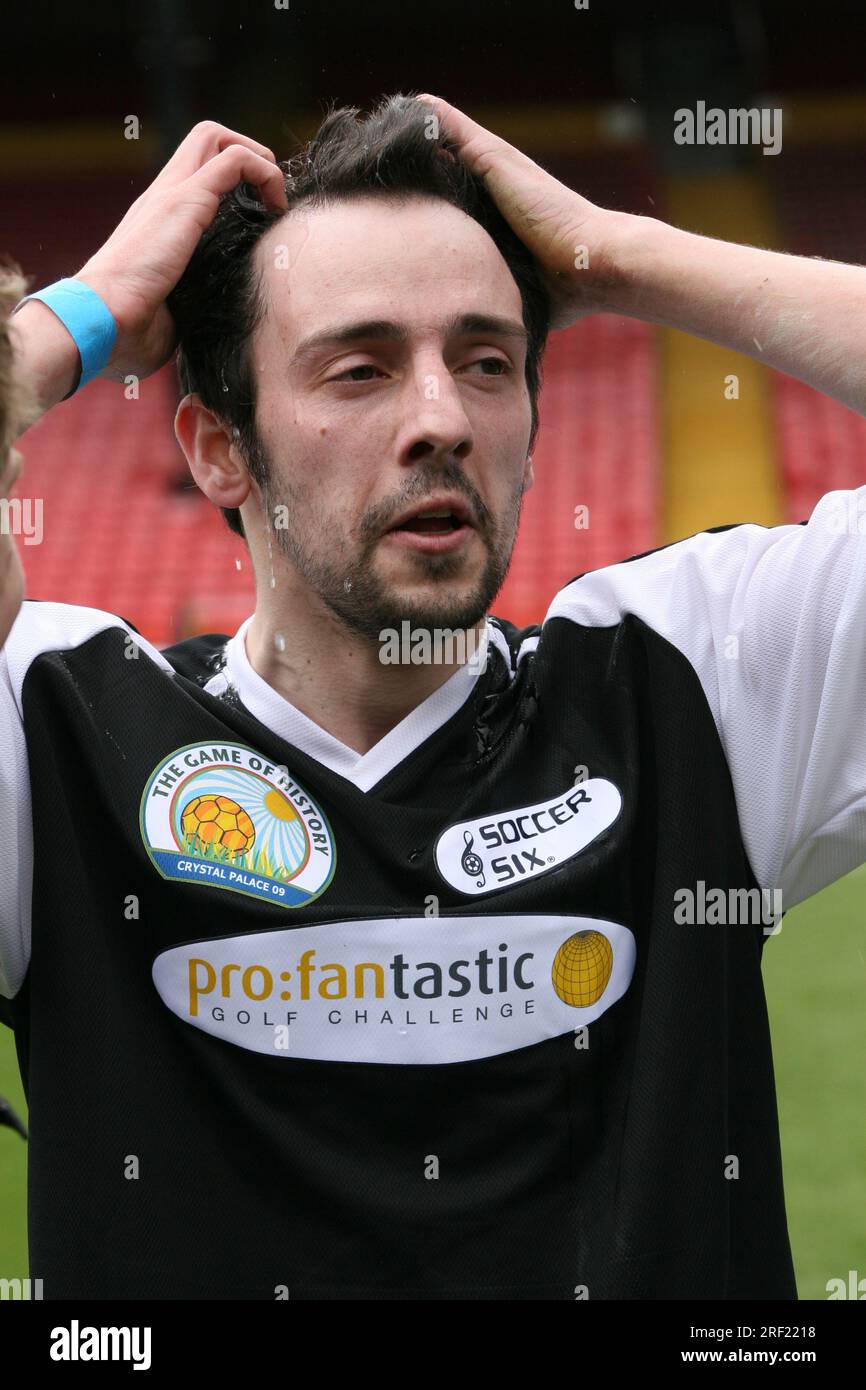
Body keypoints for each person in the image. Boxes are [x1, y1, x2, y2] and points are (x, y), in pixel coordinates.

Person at [1, 92, 864, 1300]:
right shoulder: (55, 735)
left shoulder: (686, 685)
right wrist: (68, 326)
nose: (441, 420)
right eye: (358, 370)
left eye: (486, 361)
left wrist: (616, 255)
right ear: (218, 448)